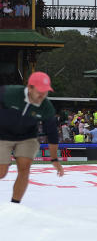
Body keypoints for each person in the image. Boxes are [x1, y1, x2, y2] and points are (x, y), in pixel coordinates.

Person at [0, 72, 64, 203]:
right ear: (30, 88)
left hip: (27, 137)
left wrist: (54, 159)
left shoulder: (46, 107)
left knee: (24, 167)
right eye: (40, 91)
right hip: (3, 135)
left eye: (46, 91)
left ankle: (15, 205)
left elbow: (52, 134)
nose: (42, 95)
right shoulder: (8, 93)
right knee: (2, 172)